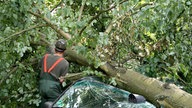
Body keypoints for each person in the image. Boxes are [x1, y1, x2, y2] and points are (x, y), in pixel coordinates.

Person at [39, 39, 69, 107]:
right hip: (53, 88)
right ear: (64, 51)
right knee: (57, 105)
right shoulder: (65, 63)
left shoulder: (45, 57)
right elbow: (61, 80)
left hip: (42, 86)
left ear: (55, 48)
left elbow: (40, 68)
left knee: (43, 105)